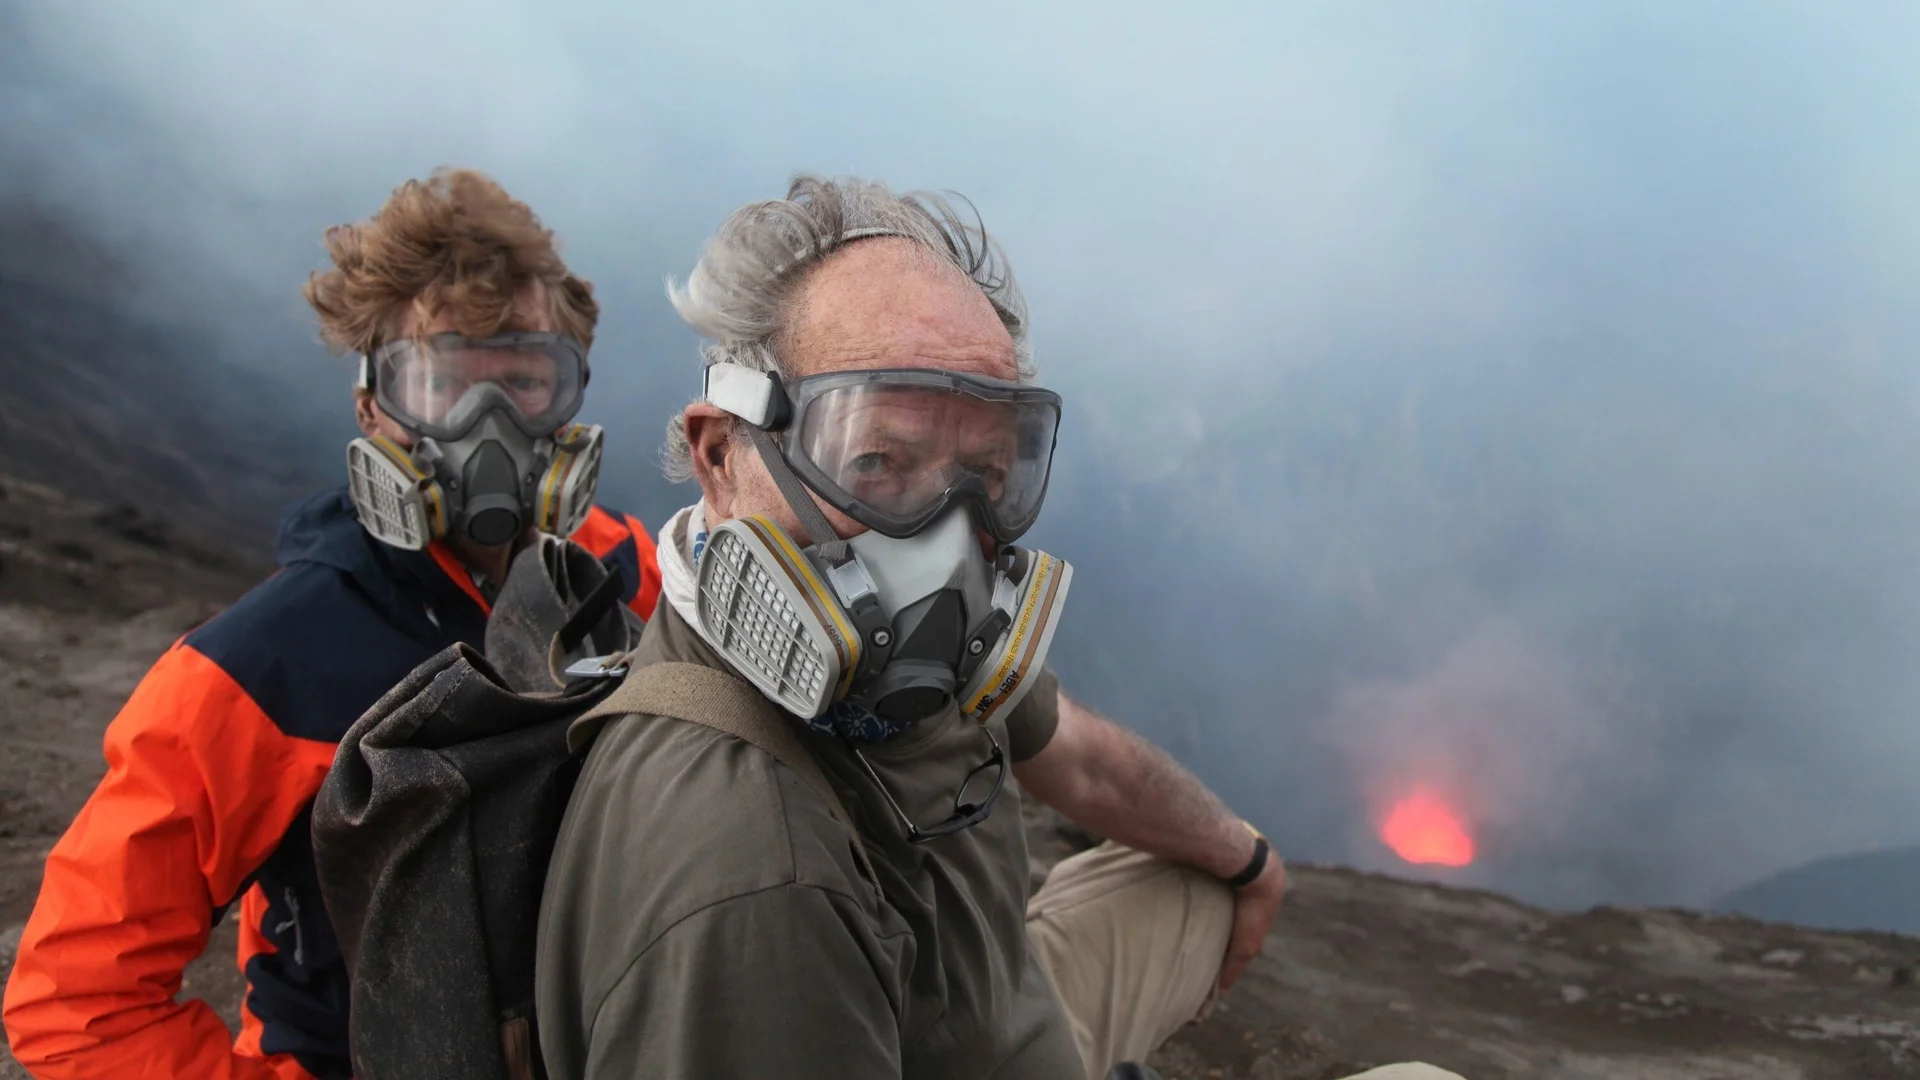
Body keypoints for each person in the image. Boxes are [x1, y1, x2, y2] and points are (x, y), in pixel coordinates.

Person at [533, 175, 1290, 1080]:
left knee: (1195, 876)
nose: (946, 539)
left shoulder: (912, 659)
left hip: (999, 1012)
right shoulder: (755, 884)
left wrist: (1246, 862)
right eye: (879, 462)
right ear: (722, 457)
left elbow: (1076, 755)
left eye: (985, 470)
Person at [2, 168, 662, 1080]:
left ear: (571, 401)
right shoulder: (262, 669)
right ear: (372, 409)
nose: (491, 428)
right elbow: (77, 1003)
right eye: (444, 385)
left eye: (523, 381)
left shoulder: (617, 576)